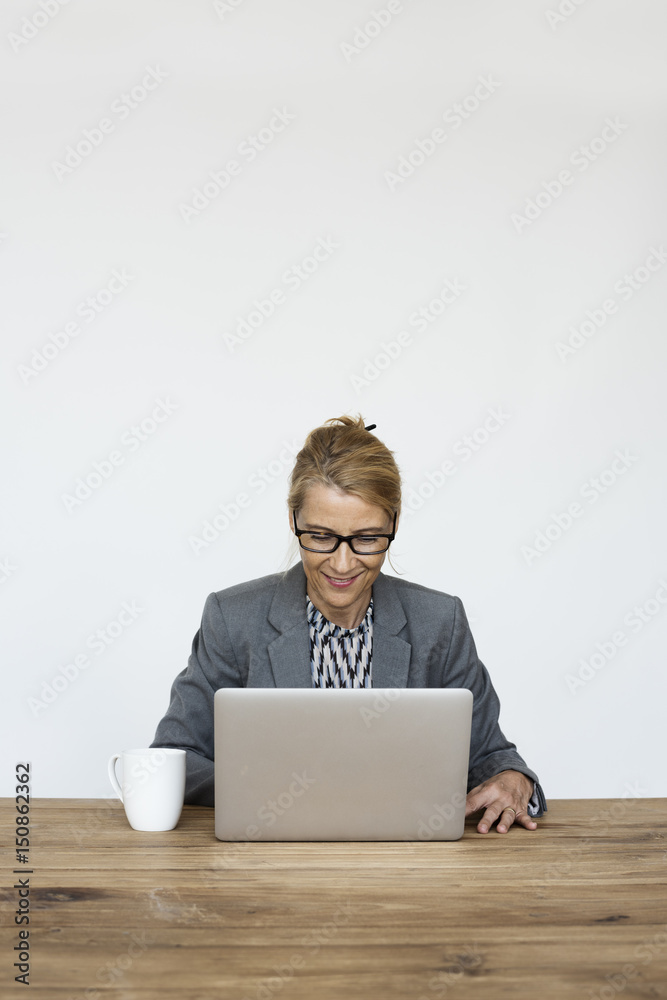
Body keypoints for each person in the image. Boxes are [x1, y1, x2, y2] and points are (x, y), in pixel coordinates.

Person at [151, 415, 546, 834]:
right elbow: (174, 757)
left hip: (405, 864)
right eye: (320, 536)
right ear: (292, 519)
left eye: (367, 538)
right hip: (269, 861)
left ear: (393, 523)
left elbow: (493, 756)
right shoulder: (232, 619)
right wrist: (266, 788)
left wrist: (514, 780)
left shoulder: (439, 622)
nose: (342, 564)